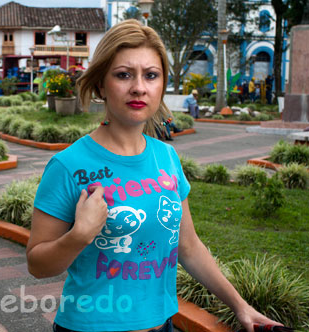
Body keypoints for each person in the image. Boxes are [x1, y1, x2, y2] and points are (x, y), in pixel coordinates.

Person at [26, 19, 282, 332]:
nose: (139, 87)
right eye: (123, 74)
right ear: (100, 85)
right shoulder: (68, 165)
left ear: (161, 85)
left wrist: (242, 307)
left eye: (151, 75)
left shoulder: (166, 157)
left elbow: (189, 248)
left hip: (162, 325)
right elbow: (37, 265)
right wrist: (79, 235)